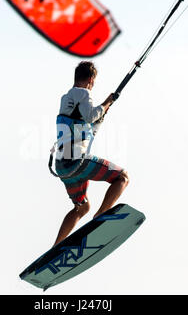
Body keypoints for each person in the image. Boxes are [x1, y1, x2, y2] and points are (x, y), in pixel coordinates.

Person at [53, 61, 129, 247]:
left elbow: (88, 125)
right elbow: (89, 115)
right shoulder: (84, 93)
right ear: (91, 80)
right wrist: (107, 102)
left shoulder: (66, 99)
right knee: (122, 177)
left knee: (81, 207)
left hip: (63, 166)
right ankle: (101, 216)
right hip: (77, 162)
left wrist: (103, 112)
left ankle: (56, 247)